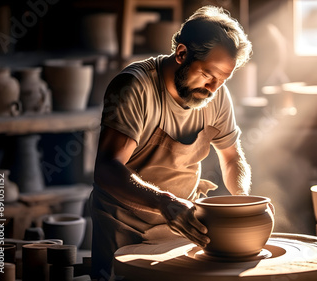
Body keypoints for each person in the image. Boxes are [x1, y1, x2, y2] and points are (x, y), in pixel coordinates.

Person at [89, 5, 253, 279]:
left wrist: (245, 203)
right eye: (207, 75)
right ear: (182, 53)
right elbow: (106, 168)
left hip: (183, 227)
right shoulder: (135, 87)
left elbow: (232, 157)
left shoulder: (216, 96)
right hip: (126, 229)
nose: (213, 88)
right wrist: (165, 202)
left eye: (223, 80)